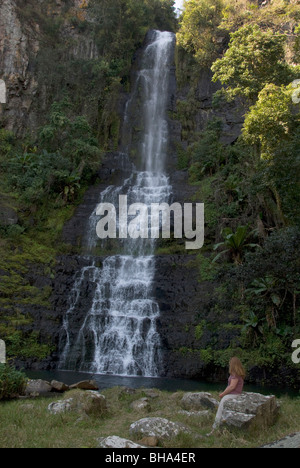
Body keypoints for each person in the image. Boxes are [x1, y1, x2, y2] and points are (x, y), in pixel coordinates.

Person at [207, 357, 246, 436]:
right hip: (234, 394)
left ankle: (214, 429)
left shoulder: (235, 374)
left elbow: (232, 387)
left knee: (220, 409)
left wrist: (223, 394)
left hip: (233, 395)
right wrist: (224, 393)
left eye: (230, 363)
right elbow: (229, 386)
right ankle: (217, 428)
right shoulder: (237, 374)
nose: (229, 364)